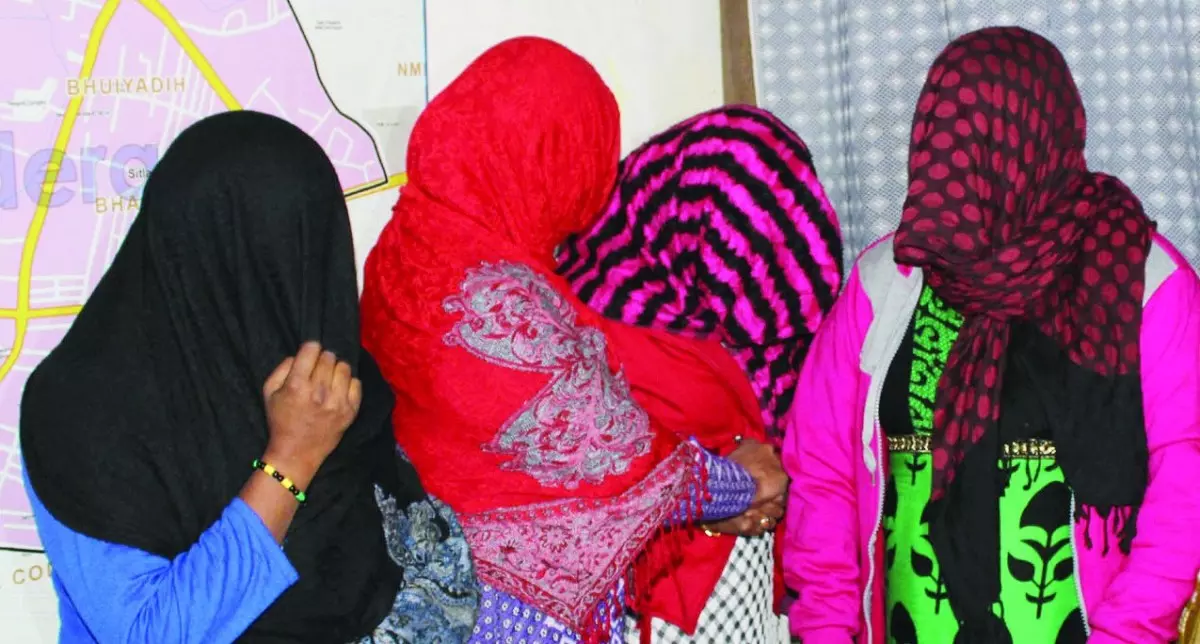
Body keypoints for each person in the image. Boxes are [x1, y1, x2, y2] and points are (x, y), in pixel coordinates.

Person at [359, 37, 786, 644]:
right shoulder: (500, 293)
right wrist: (745, 485)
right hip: (509, 617)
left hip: (416, 589)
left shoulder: (403, 250)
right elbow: (619, 459)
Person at [781, 26, 1200, 644]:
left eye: (976, 140)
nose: (952, 162)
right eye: (942, 136)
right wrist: (826, 631)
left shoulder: (1141, 279)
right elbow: (822, 474)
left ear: (1037, 137)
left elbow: (1186, 481)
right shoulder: (886, 283)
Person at [19, 110, 479, 643]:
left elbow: (406, 553)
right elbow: (149, 634)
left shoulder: (329, 376)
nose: (308, 273)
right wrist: (291, 460)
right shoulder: (77, 416)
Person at [557, 103, 843, 642]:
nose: (763, 272)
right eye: (750, 242)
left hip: (757, 604)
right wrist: (716, 495)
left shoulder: (761, 308)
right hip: (644, 611)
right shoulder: (576, 329)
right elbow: (579, 494)